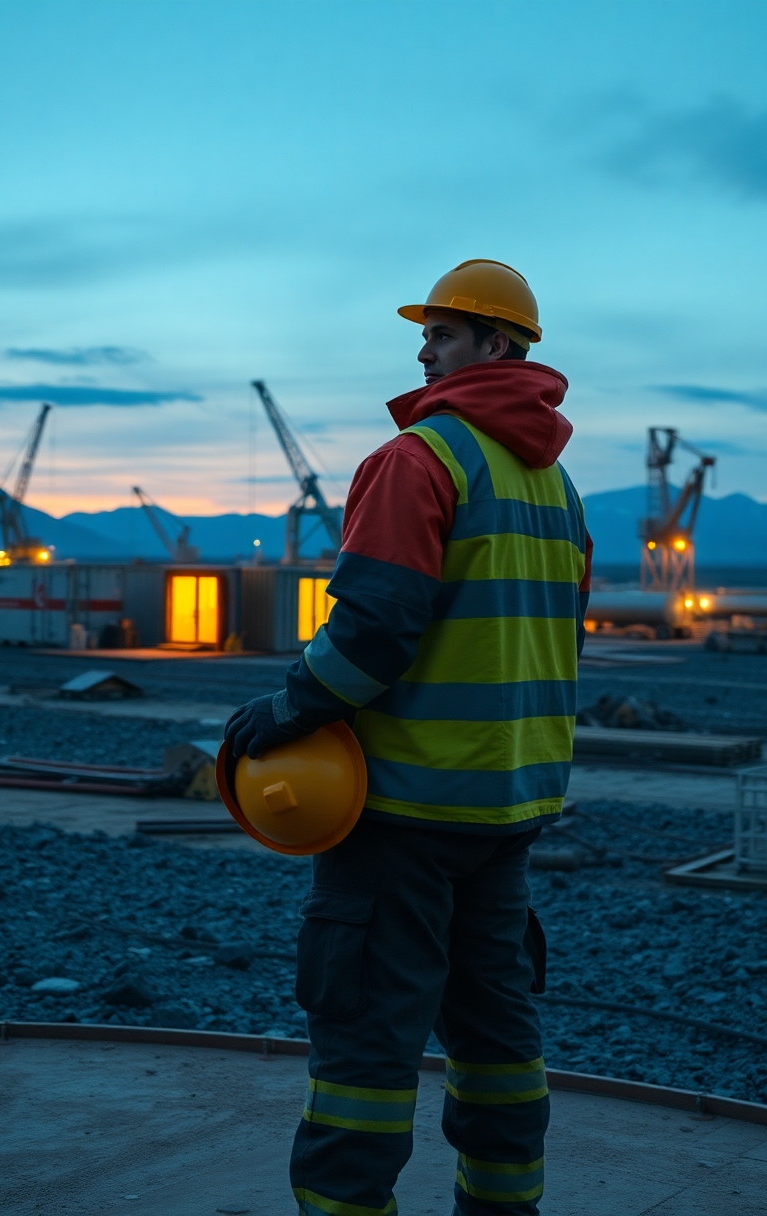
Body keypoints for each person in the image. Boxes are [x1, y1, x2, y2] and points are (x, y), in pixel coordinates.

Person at [225, 259, 592, 1216]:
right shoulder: (558, 490)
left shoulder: (419, 459)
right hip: (507, 809)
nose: (422, 350)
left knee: (365, 1049)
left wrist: (287, 711)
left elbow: (375, 627)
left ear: (495, 346)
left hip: (401, 809)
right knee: (498, 1043)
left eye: (441, 333)